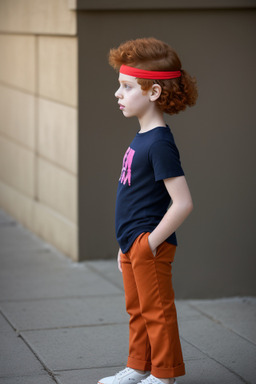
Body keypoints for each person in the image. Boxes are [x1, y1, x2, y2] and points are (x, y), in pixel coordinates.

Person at [98, 37, 198, 384]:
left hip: (148, 245)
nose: (118, 94)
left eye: (127, 86)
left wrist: (149, 244)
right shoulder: (142, 138)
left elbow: (183, 202)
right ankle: (139, 366)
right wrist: (126, 246)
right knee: (137, 311)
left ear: (153, 93)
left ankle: (164, 374)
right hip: (132, 244)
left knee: (157, 312)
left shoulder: (158, 142)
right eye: (119, 86)